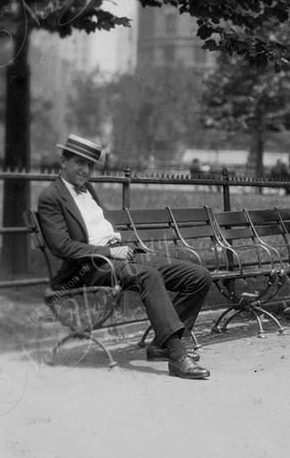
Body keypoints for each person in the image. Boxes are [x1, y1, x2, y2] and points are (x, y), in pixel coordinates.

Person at [37, 135, 212, 380]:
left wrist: (119, 247)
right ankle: (176, 355)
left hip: (120, 255)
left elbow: (102, 227)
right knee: (147, 275)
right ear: (63, 161)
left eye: (90, 165)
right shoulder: (51, 197)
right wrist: (109, 252)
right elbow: (63, 247)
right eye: (79, 163)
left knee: (199, 276)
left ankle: (162, 345)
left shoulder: (88, 190)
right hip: (88, 267)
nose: (85, 170)